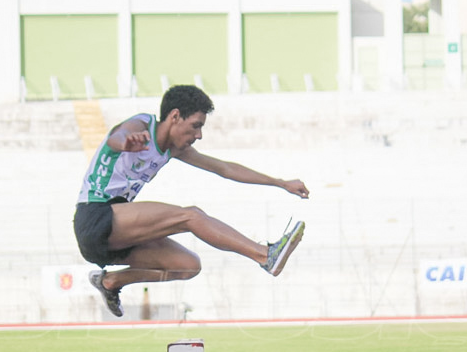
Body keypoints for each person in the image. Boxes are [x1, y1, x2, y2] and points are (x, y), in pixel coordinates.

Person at [73, 84, 308, 317]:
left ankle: (111, 282)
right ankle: (265, 256)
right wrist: (126, 141)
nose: (199, 135)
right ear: (175, 116)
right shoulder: (143, 125)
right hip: (95, 216)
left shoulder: (173, 150)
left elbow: (224, 168)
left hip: (114, 236)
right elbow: (117, 136)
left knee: (187, 265)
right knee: (191, 216)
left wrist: (281, 183)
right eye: (195, 126)